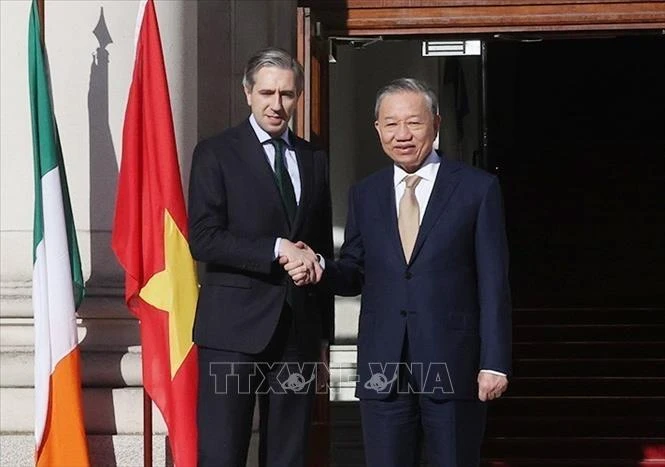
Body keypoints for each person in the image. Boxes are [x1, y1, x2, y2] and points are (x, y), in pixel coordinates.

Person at [284, 78, 512, 466]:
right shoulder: (365, 194)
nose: (401, 135)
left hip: (453, 366)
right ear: (378, 130)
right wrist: (321, 266)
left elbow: (494, 283)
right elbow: (355, 272)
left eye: (414, 123)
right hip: (383, 371)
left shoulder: (477, 189)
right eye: (390, 124)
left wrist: (494, 362)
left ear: (436, 124)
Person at [188, 47, 333, 467]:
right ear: (247, 92)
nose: (277, 104)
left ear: (298, 95)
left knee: (288, 454)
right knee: (222, 452)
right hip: (232, 331)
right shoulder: (215, 152)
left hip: (298, 332)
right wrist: (276, 248)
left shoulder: (314, 158)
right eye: (267, 92)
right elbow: (203, 238)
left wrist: (322, 334)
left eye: (287, 94)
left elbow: (318, 239)